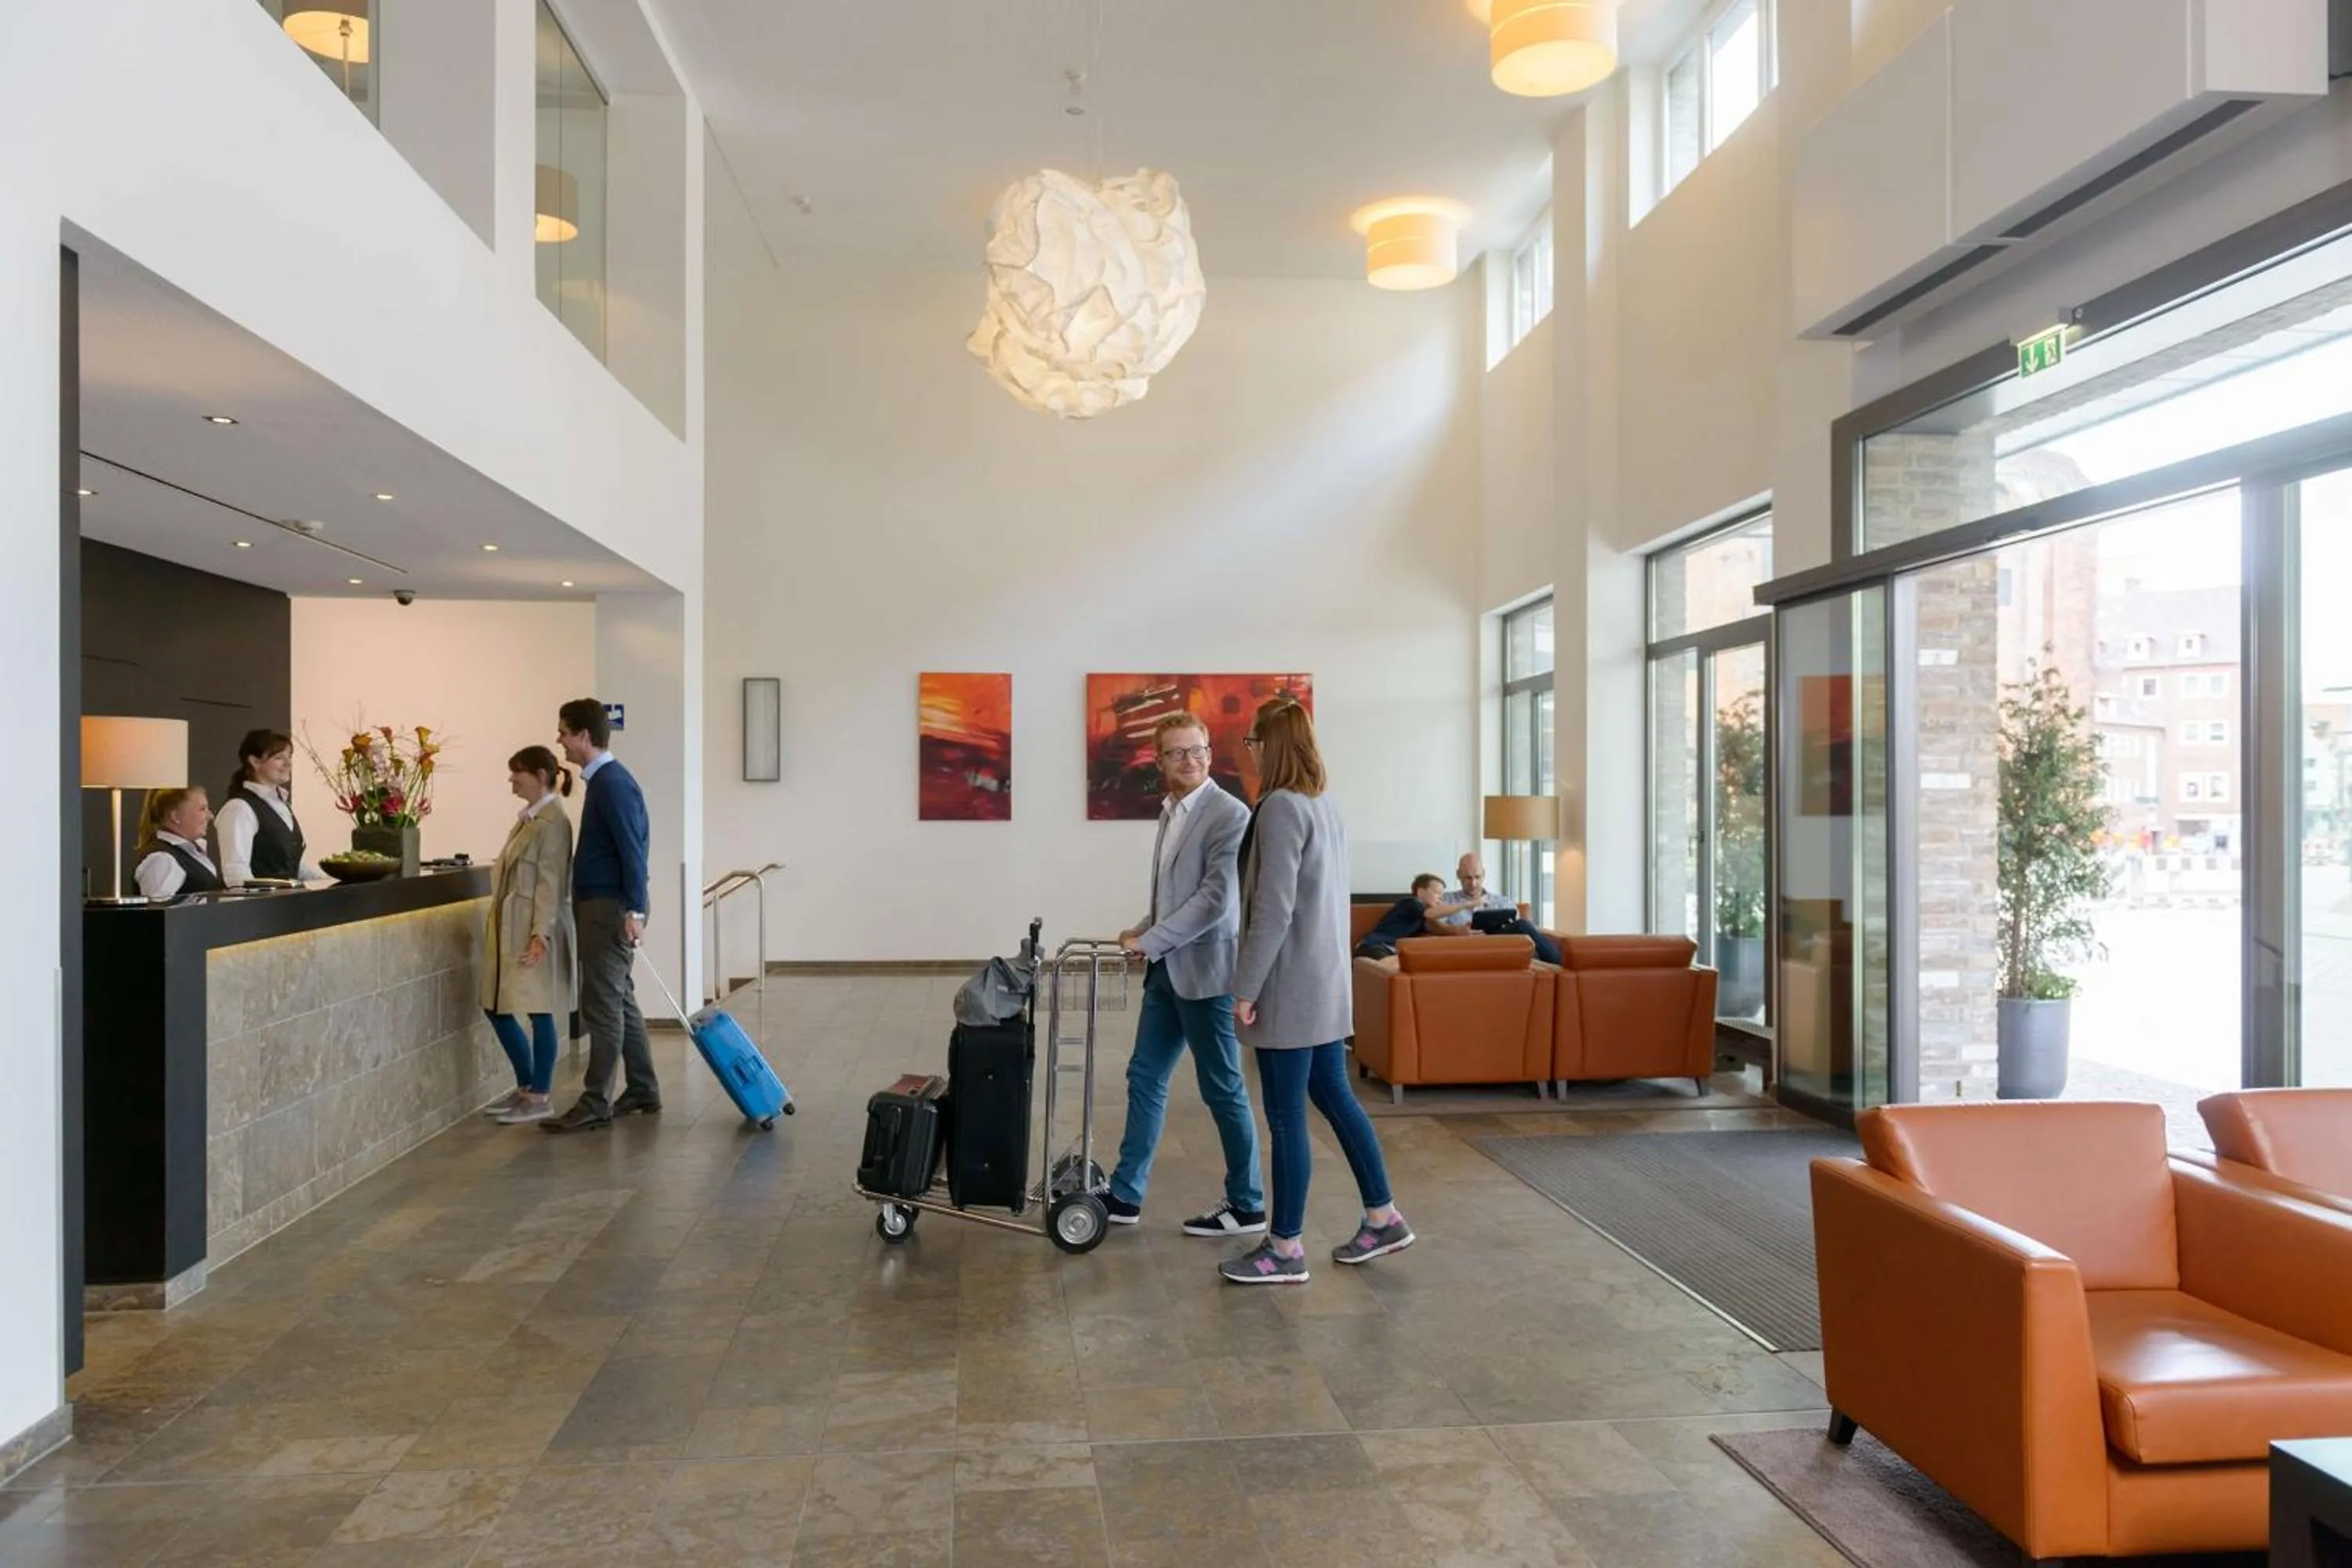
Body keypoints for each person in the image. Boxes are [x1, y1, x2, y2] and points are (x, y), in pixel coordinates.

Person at [1224, 699, 1412, 1285]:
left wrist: (1245, 986)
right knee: (1333, 1094)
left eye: (1255, 741)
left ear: (1274, 745)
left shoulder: (1280, 808)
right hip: (1324, 983)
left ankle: (1284, 1249)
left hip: (1288, 987)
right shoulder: (1322, 805)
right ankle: (1382, 1216)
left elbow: (1274, 910)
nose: (1250, 750)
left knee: (1285, 1118)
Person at [1104, 713, 1265, 1237]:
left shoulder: (1230, 815)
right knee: (1144, 1076)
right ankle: (1126, 1196)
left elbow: (1217, 901)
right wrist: (1144, 926)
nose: (1190, 759)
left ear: (1210, 754)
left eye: (1197, 750)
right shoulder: (1170, 810)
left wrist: (1150, 940)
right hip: (1166, 971)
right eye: (1177, 753)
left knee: (1223, 1089)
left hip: (1208, 975)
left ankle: (1247, 1204)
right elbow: (1174, 895)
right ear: (1160, 761)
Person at [543, 699, 658, 1134]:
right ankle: (644, 1088)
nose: (560, 741)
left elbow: (632, 850)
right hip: (607, 905)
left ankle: (596, 1101)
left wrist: (635, 909)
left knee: (603, 1005)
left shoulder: (612, 784)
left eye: (564, 733)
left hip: (607, 908)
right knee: (620, 998)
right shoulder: (607, 782)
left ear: (585, 737)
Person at [481, 746, 579, 1126]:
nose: (511, 781)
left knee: (538, 1010)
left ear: (540, 775)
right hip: (512, 927)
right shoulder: (529, 819)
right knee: (496, 1006)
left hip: (531, 930)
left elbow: (550, 883)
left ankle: (540, 1093)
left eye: (516, 774)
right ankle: (526, 1088)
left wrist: (541, 935)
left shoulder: (553, 822)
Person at [215, 728, 321, 885]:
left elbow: (292, 865)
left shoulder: (283, 805)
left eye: (289, 757)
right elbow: (236, 872)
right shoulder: (239, 808)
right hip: (260, 906)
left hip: (286, 904)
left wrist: (329, 882)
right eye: (279, 758)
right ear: (255, 762)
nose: (288, 764)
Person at [1432, 852, 1563, 965]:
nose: (1473, 884)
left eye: (1477, 877)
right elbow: (1430, 923)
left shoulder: (1502, 902)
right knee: (1523, 925)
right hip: (1468, 946)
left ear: (1484, 874)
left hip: (1499, 944)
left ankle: (1561, 966)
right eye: (1468, 878)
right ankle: (1561, 964)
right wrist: (1455, 931)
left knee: (1523, 925)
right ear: (1458, 875)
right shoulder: (1446, 900)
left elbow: (1518, 929)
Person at [1353, 873, 1475, 960]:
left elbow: (1436, 927)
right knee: (1396, 967)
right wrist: (1465, 908)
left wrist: (1460, 931)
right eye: (1437, 893)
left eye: (1442, 895)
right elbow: (1432, 919)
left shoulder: (1422, 917)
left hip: (1389, 951)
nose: (1440, 898)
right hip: (1373, 947)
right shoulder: (1411, 903)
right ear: (1421, 892)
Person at [132, 786, 222, 899]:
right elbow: (158, 914)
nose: (210, 816)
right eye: (202, 809)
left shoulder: (185, 853)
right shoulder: (162, 859)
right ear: (175, 816)